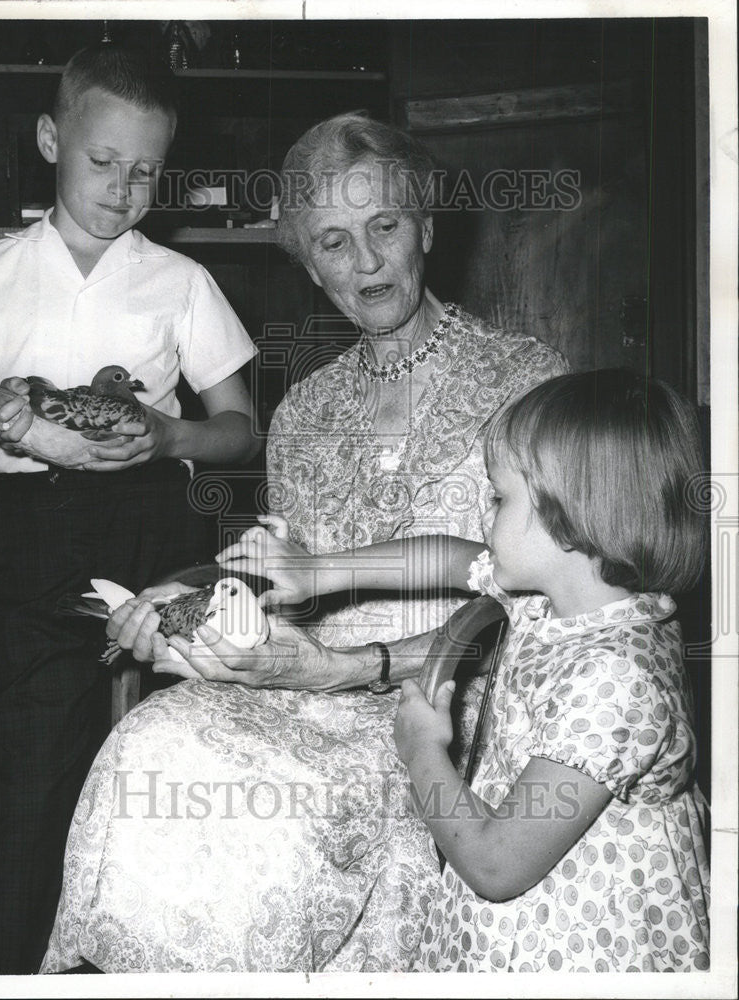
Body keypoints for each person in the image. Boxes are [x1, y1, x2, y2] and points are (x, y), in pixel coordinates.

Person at [40, 112, 567, 973]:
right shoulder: (304, 412)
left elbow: (541, 611)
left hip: (452, 693)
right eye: (332, 240)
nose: (365, 263)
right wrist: (195, 610)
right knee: (148, 745)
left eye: (384, 227)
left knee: (263, 817)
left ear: (425, 227)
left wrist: (349, 668)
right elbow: (293, 588)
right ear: (307, 263)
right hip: (301, 679)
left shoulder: (525, 382)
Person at [0, 43, 258, 974]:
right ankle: (5, 969)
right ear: (51, 138)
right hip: (36, 534)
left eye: (147, 171)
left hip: (155, 529)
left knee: (165, 767)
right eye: (102, 161)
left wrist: (169, 439)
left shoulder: (180, 283)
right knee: (29, 770)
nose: (124, 189)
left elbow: (242, 431)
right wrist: (3, 427)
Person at [246, 369, 709, 972]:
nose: (486, 517)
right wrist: (319, 570)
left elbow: (495, 865)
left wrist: (421, 752)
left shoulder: (616, 680)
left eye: (499, 498)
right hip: (527, 904)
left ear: (569, 516)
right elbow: (445, 556)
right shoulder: (558, 595)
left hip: (577, 940)